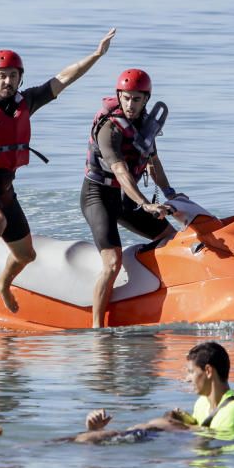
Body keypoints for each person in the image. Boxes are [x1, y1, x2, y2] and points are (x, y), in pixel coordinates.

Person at [0, 29, 117, 313]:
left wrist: (96, 54)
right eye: (1, 75)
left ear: (20, 78)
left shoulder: (26, 102)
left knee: (26, 255)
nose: (8, 80)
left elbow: (64, 78)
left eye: (13, 75)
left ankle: (2, 283)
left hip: (6, 194)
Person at [81, 68, 179, 328]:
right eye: (125, 98)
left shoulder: (145, 126)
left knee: (172, 239)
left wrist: (171, 193)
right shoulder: (109, 129)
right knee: (112, 263)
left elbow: (153, 162)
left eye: (136, 99)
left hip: (126, 198)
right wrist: (145, 203)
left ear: (146, 99)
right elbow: (121, 171)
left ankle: (155, 294)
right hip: (98, 196)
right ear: (118, 96)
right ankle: (97, 329)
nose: (130, 105)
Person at [74, 341, 234, 443]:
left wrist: (174, 427)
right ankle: (95, 435)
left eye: (190, 372)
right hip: (183, 458)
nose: (186, 379)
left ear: (208, 371)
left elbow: (216, 454)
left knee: (155, 427)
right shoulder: (203, 403)